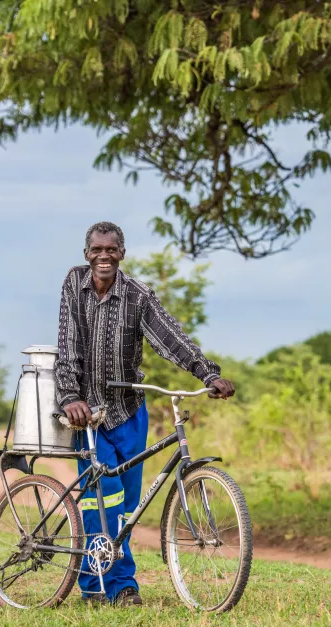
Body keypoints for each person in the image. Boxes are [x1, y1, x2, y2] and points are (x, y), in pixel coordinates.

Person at [54, 221, 235, 607]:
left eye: (111, 249)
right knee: (104, 497)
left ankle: (103, 582)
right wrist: (69, 396)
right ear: (87, 254)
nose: (104, 256)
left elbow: (171, 338)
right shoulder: (74, 284)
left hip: (129, 412)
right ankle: (114, 587)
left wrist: (208, 373)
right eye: (97, 250)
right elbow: (68, 345)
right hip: (88, 416)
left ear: (122, 253)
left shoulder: (138, 296)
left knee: (127, 509)